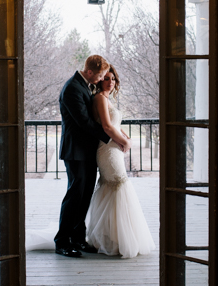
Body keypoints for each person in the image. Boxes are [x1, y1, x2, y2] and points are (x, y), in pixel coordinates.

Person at [54, 55, 130, 258]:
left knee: (85, 194)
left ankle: (78, 238)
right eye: (100, 75)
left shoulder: (86, 85)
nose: (103, 78)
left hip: (88, 150)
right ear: (89, 72)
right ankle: (62, 241)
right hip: (75, 151)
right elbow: (84, 122)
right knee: (75, 194)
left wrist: (119, 134)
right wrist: (113, 139)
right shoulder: (72, 88)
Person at [85, 65, 155, 258]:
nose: (111, 82)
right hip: (107, 150)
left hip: (115, 149)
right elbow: (107, 127)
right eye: (106, 78)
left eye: (113, 79)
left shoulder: (108, 99)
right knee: (118, 184)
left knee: (114, 188)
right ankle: (115, 238)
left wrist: (127, 139)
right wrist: (125, 142)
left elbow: (116, 125)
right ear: (100, 81)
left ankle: (111, 237)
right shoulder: (99, 98)